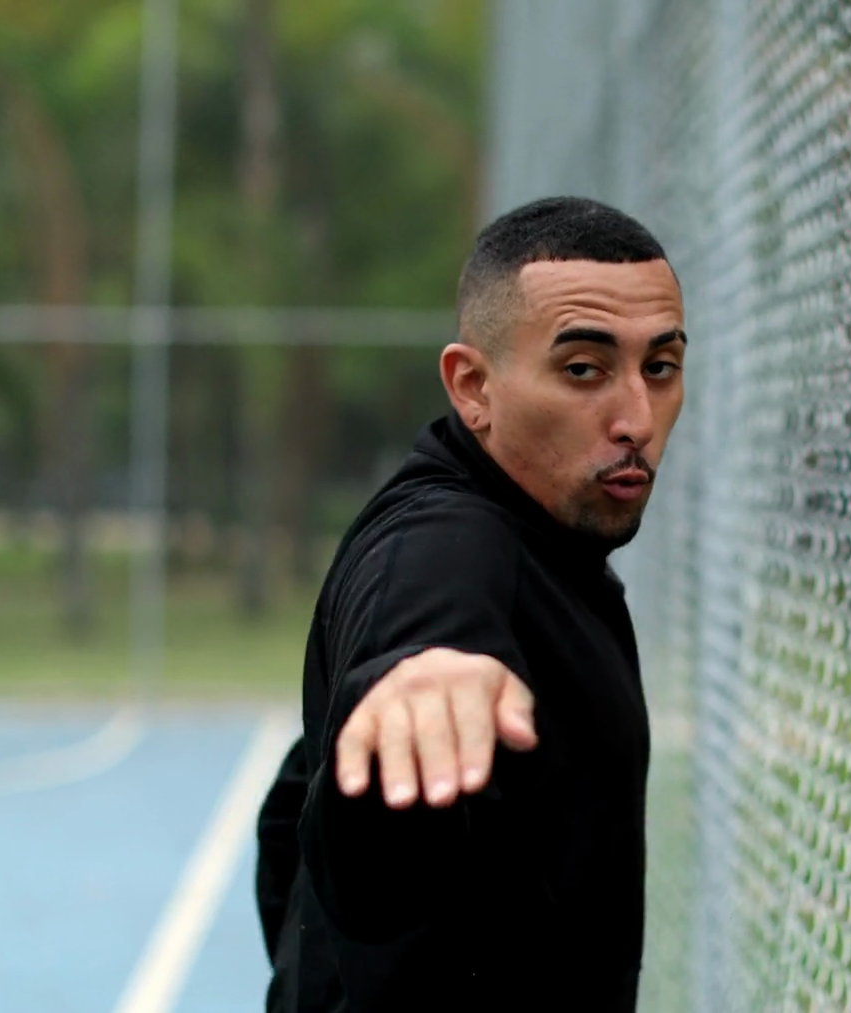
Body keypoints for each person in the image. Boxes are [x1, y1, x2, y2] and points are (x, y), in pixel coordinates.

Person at [255, 196, 686, 1011]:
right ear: (472, 386)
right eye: (584, 369)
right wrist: (418, 669)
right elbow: (424, 610)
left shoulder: (551, 541)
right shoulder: (444, 540)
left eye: (660, 367)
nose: (636, 417)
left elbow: (287, 815)